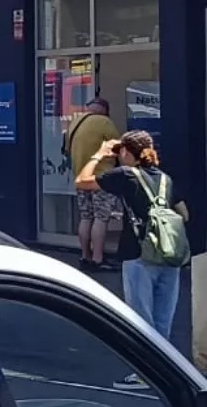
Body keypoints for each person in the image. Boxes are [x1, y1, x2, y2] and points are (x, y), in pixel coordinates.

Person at [81, 130, 189, 339]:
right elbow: (184, 214)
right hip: (169, 255)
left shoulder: (125, 175)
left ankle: (143, 372)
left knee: (142, 323)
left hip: (138, 254)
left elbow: (82, 180)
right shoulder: (165, 179)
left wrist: (99, 155)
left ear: (127, 153)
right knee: (162, 323)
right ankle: (161, 370)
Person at [66, 97, 121, 271]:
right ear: (104, 110)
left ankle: (85, 256)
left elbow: (67, 149)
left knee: (86, 216)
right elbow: (118, 148)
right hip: (101, 179)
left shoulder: (75, 122)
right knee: (101, 217)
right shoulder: (105, 123)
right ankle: (98, 259)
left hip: (81, 177)